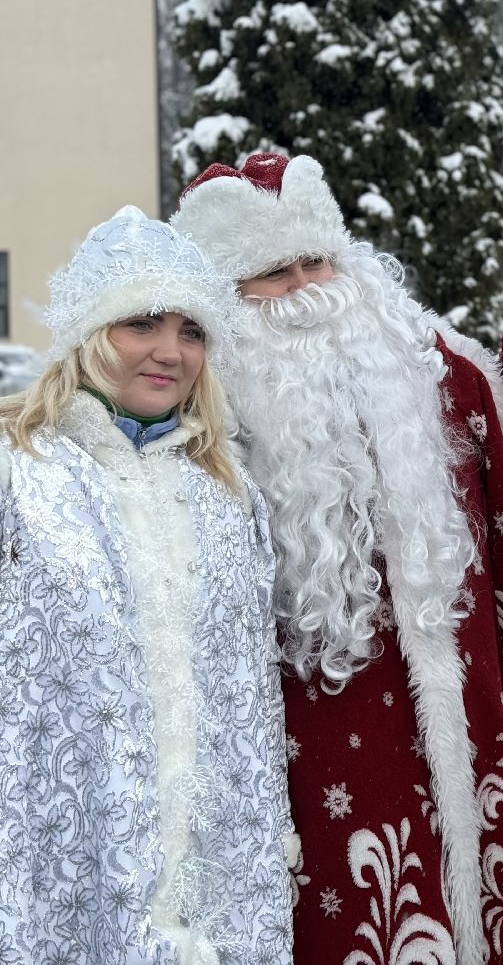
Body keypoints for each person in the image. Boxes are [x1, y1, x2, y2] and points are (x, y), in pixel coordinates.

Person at [169, 147, 503, 965]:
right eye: (272, 274)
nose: (305, 290)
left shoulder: (427, 371)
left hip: (466, 761)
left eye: (316, 260)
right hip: (300, 778)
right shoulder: (195, 424)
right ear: (221, 300)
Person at [0, 207, 293, 962]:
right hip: (61, 865)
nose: (170, 353)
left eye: (191, 331)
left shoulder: (228, 494)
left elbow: (250, 702)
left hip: (215, 883)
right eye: (141, 324)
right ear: (91, 334)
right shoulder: (21, 472)